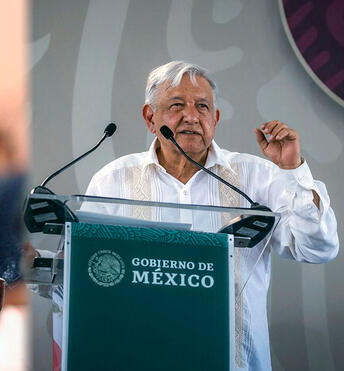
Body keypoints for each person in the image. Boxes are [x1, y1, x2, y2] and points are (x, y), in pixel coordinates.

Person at [84, 61, 338, 370]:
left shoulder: (258, 176)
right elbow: (84, 270)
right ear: (150, 118)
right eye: (176, 105)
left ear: (214, 119)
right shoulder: (113, 180)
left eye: (202, 107)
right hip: (141, 356)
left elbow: (317, 248)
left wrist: (292, 170)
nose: (191, 116)